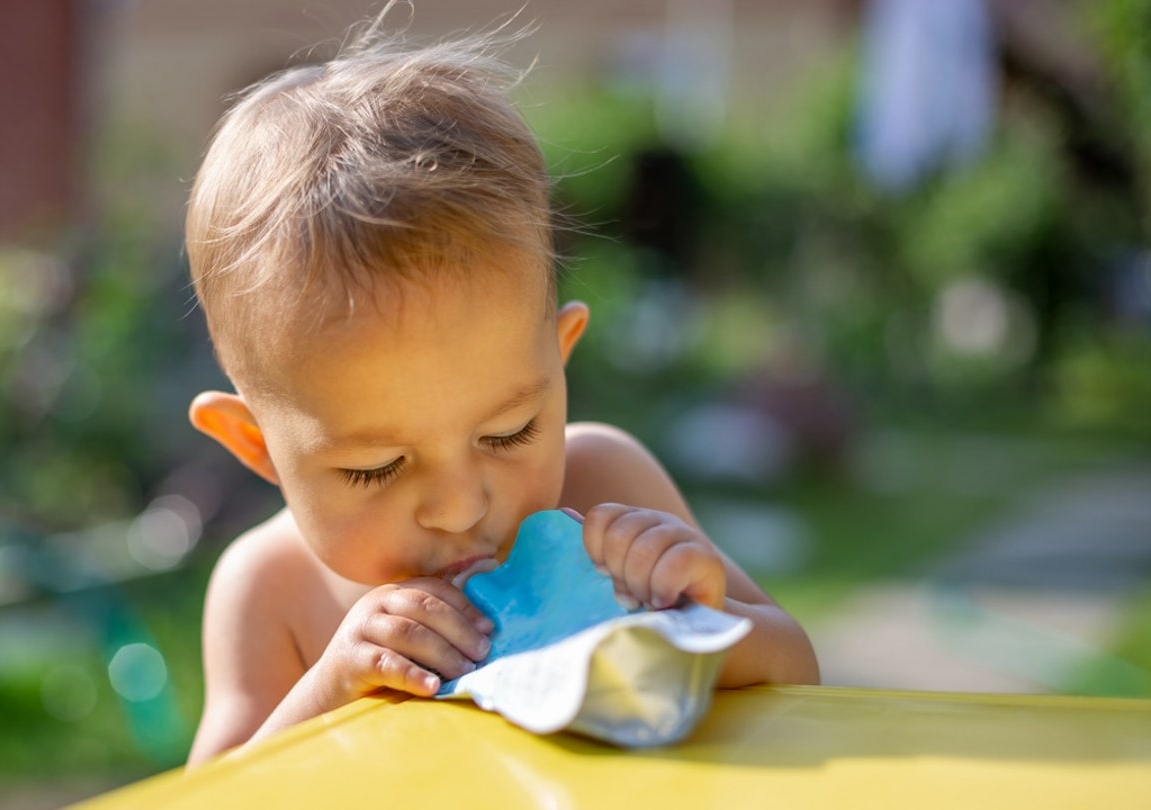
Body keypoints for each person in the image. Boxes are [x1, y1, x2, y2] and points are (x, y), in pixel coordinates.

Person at [182, 20, 819, 767]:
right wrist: (332, 687)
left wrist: (697, 612)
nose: (460, 507)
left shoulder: (607, 487)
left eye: (510, 431)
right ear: (257, 445)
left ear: (561, 361)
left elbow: (794, 666)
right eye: (376, 467)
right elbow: (214, 789)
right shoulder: (269, 591)